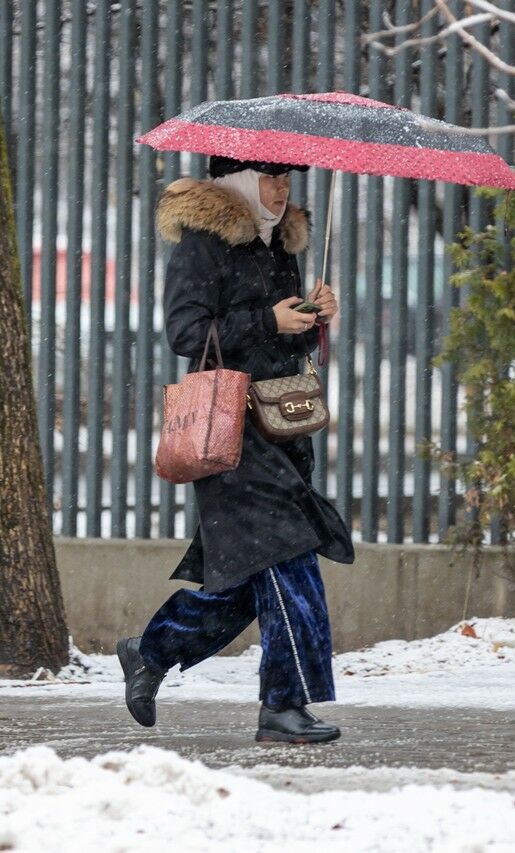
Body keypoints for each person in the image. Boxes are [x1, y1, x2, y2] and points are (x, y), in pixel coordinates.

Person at [116, 155, 355, 744]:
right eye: (271, 178)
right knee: (290, 562)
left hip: (281, 428)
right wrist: (267, 321)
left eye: (288, 180)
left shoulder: (280, 246)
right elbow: (186, 333)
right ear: (239, 181)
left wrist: (316, 316)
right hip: (228, 437)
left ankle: (151, 651)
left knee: (249, 582)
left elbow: (285, 336)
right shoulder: (204, 242)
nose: (281, 190)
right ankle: (284, 706)